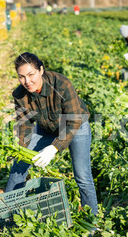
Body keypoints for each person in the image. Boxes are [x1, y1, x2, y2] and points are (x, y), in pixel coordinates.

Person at [6, 52, 98, 215]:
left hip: (75, 126)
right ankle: (8, 212)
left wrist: (53, 148)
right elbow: (25, 126)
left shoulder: (61, 84)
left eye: (31, 74)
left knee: (82, 175)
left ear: (41, 70)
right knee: (18, 165)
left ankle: (92, 219)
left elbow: (74, 120)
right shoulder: (20, 95)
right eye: (21, 77)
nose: (27, 81)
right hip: (46, 129)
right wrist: (20, 149)